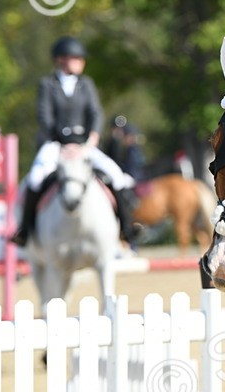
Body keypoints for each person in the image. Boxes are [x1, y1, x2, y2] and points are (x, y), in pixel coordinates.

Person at [10, 36, 140, 247]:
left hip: (84, 145)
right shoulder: (47, 84)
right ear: (61, 60)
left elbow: (95, 113)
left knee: (116, 175)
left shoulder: (86, 84)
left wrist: (93, 137)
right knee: (35, 178)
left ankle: (127, 228)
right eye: (77, 58)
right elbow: (44, 116)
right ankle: (25, 231)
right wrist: (62, 142)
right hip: (56, 144)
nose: (81, 62)